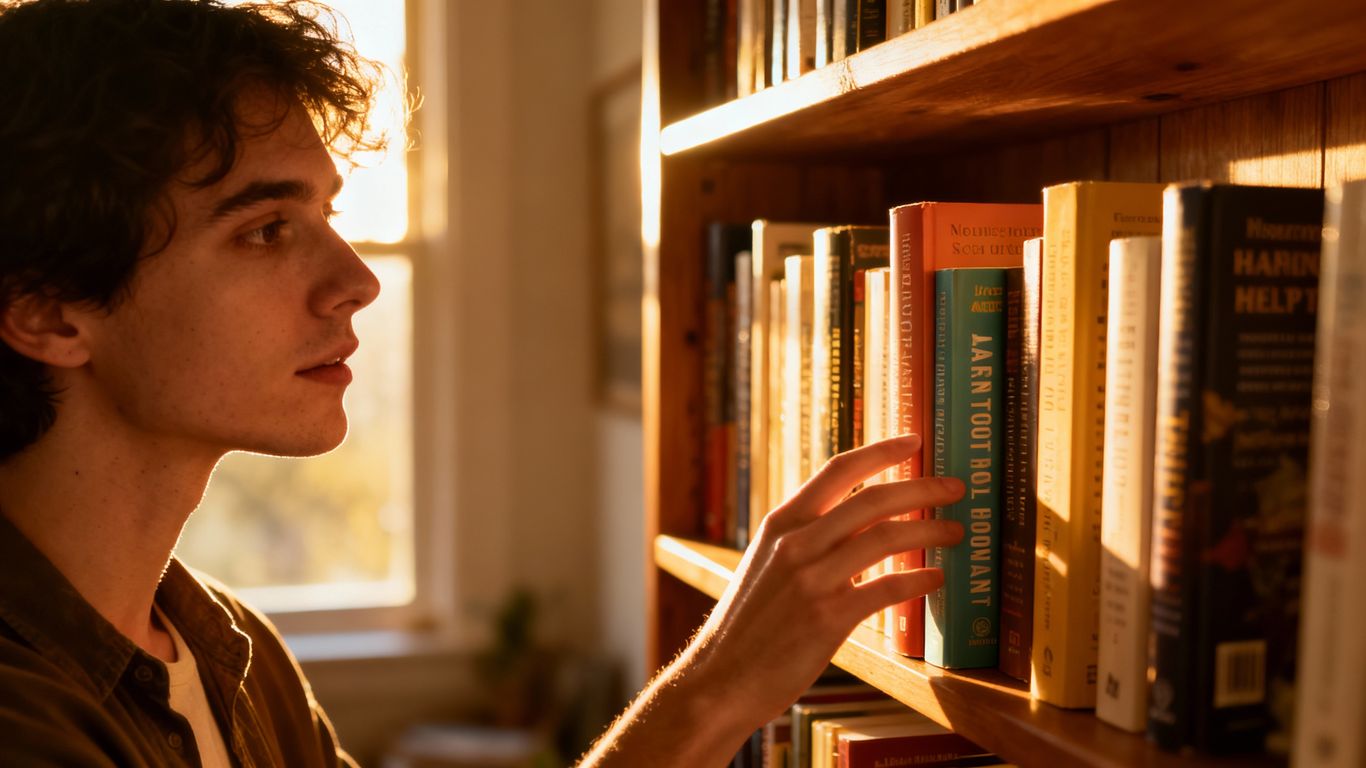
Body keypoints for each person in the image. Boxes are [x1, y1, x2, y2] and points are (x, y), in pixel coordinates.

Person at [0, 0, 966, 765]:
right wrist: (714, 689)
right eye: (265, 230)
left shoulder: (225, 647)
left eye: (329, 216)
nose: (358, 280)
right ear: (49, 313)